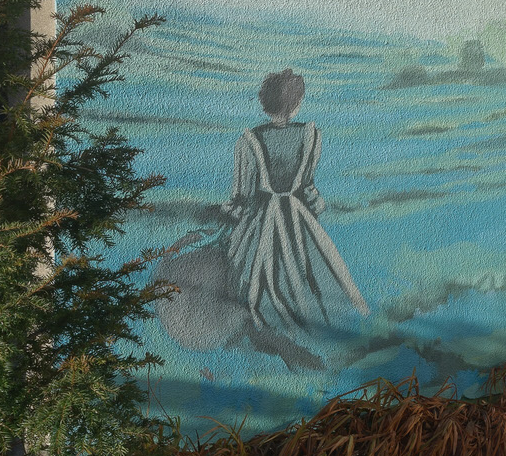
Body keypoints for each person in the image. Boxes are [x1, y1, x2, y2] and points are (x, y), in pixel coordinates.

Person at [154, 68, 368, 373]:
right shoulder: (311, 135)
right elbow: (308, 188)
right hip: (298, 218)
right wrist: (316, 211)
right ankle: (303, 334)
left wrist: (225, 218)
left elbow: (241, 196)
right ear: (297, 104)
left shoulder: (250, 140)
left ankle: (263, 333)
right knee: (302, 274)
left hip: (262, 220)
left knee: (249, 274)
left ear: (264, 103)